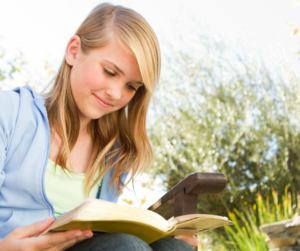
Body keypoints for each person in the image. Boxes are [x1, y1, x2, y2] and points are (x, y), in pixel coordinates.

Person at [0, 3, 197, 251]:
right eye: (110, 72)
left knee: (175, 249)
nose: (115, 93)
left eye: (131, 87)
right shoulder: (9, 112)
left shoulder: (114, 153)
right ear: (73, 51)